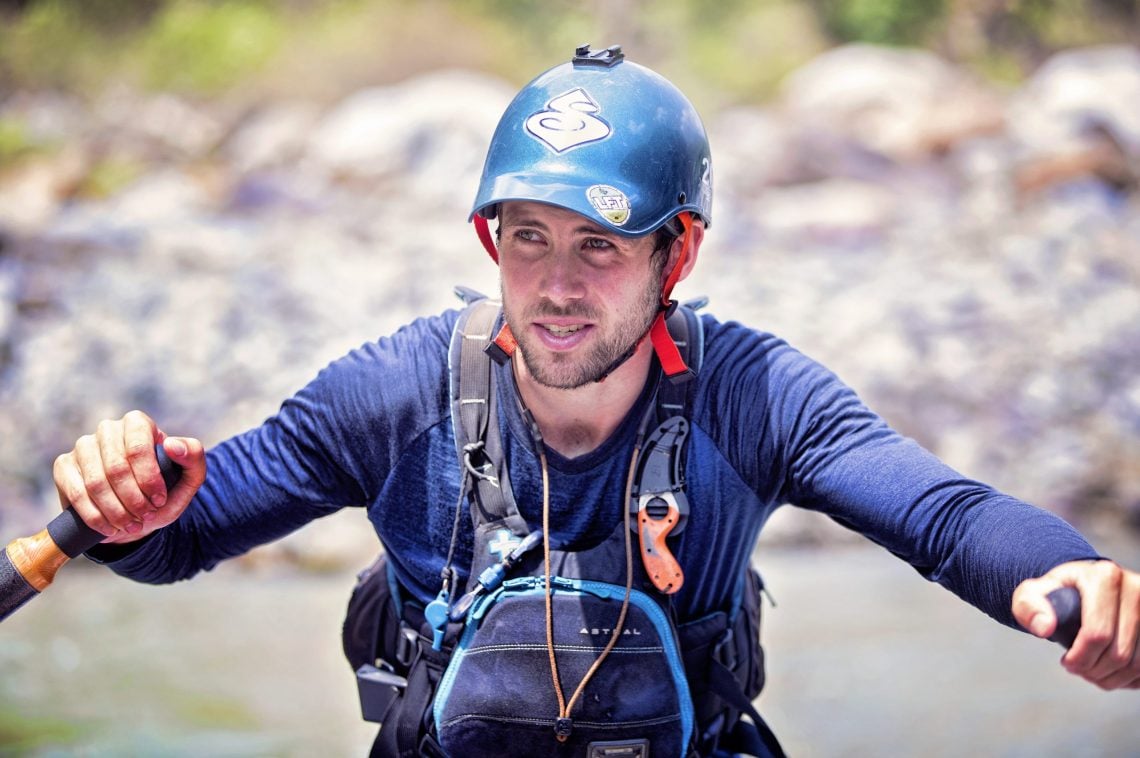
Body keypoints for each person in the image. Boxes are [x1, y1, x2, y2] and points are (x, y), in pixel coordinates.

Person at [52, 44, 1139, 757]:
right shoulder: (395, 392)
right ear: (491, 239)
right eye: (528, 236)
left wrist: (1066, 572)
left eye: (601, 245)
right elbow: (174, 537)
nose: (557, 285)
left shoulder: (753, 395)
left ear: (680, 251)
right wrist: (127, 507)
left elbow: (945, 517)